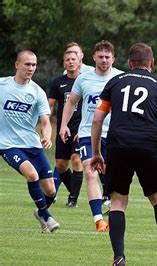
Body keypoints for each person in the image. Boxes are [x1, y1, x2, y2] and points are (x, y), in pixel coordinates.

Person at [90, 43, 157, 266]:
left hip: (118, 144)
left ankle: (119, 258)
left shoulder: (115, 82)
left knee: (118, 201)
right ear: (151, 63)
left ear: (129, 64)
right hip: (147, 144)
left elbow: (97, 119)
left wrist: (96, 153)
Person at [60, 40, 122, 232]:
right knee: (89, 170)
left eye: (107, 57)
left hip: (114, 135)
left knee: (112, 177)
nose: (104, 60)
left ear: (113, 58)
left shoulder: (121, 78)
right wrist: (63, 125)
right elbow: (71, 102)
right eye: (100, 56)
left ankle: (113, 217)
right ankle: (98, 220)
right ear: (93, 57)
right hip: (88, 133)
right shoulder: (83, 78)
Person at [0, 50, 60, 233]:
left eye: (34, 65)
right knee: (32, 175)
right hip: (7, 145)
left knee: (51, 191)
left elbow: (45, 121)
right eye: (27, 64)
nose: (31, 68)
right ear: (17, 65)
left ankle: (40, 212)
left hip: (32, 145)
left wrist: (47, 136)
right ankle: (47, 216)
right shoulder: (2, 85)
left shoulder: (37, 92)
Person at [48, 50, 83, 208]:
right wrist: (45, 123)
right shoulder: (58, 82)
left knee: (76, 160)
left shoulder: (85, 81)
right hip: (63, 128)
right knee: (61, 165)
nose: (70, 62)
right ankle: (72, 191)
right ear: (64, 63)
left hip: (80, 128)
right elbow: (50, 105)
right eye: (67, 59)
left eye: (73, 59)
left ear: (79, 61)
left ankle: (73, 199)